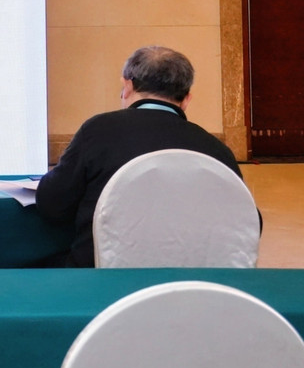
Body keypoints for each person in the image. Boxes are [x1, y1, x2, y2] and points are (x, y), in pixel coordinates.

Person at [36, 44, 247, 267]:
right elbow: (246, 223)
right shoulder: (215, 149)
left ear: (127, 86)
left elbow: (53, 205)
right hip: (190, 279)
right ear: (186, 99)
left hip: (100, 276)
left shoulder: (98, 130)